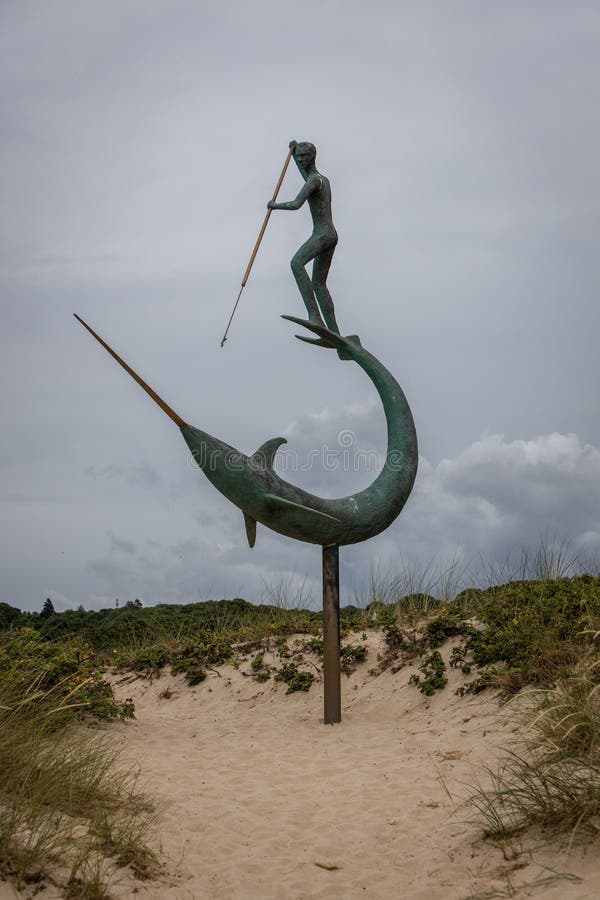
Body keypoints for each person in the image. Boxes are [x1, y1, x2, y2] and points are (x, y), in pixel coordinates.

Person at [268, 140, 340, 334]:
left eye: (303, 156)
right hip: (330, 234)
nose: (300, 159)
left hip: (323, 235)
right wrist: (292, 156)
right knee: (319, 283)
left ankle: (315, 317)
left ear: (312, 157)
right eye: (298, 156)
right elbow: (305, 173)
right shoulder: (321, 179)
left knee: (296, 263)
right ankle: (335, 333)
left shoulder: (314, 181)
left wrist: (274, 205)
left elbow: (296, 204)